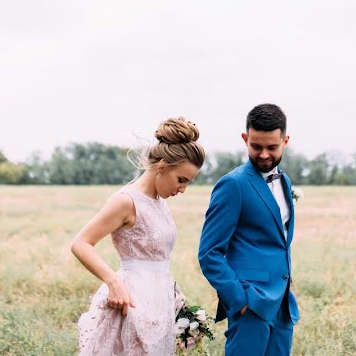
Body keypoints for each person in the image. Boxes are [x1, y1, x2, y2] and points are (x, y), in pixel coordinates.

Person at [72, 117, 205, 356]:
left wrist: (175, 296)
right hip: (130, 303)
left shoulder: (160, 202)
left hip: (160, 302)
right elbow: (81, 243)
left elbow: (156, 259)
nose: (182, 189)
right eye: (181, 180)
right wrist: (113, 282)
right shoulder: (125, 201)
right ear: (163, 166)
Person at [198, 103, 299, 356]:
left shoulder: (284, 181)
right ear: (245, 139)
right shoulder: (233, 185)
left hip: (282, 305)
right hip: (250, 304)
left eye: (272, 147)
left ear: (285, 141)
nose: (264, 154)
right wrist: (240, 301)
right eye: (256, 146)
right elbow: (209, 253)